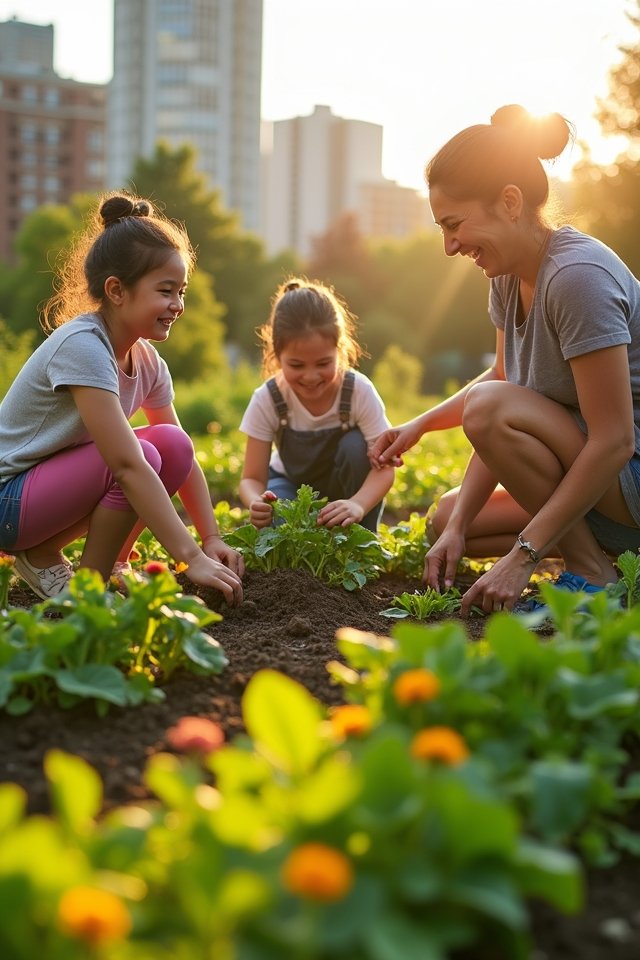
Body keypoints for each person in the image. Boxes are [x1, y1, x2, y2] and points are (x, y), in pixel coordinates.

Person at [370, 103, 640, 615]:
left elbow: (615, 440)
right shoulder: (507, 274)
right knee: (448, 522)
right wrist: (421, 429)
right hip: (604, 483)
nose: (449, 247)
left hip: (629, 471)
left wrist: (524, 555)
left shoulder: (578, 278)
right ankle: (609, 553)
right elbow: (501, 380)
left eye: (455, 224)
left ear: (510, 202)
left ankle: (593, 574)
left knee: (490, 411)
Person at [0, 192, 244, 604]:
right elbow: (127, 464)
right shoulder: (83, 345)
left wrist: (210, 538)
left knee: (172, 444)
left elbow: (181, 460)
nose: (178, 305)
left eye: (181, 291)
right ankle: (82, 588)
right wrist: (188, 556)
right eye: (166, 291)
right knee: (140, 457)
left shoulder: (147, 361)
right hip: (9, 499)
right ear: (116, 290)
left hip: (44, 496)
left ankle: (113, 562)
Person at [239, 277, 396, 532]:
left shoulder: (358, 391)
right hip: (288, 484)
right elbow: (252, 478)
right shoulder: (268, 398)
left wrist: (357, 504)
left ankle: (362, 541)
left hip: (346, 493)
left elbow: (384, 470)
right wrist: (256, 501)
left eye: (323, 363)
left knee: (356, 447)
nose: (311, 377)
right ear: (276, 356)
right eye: (297, 365)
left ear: (340, 349)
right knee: (281, 520)